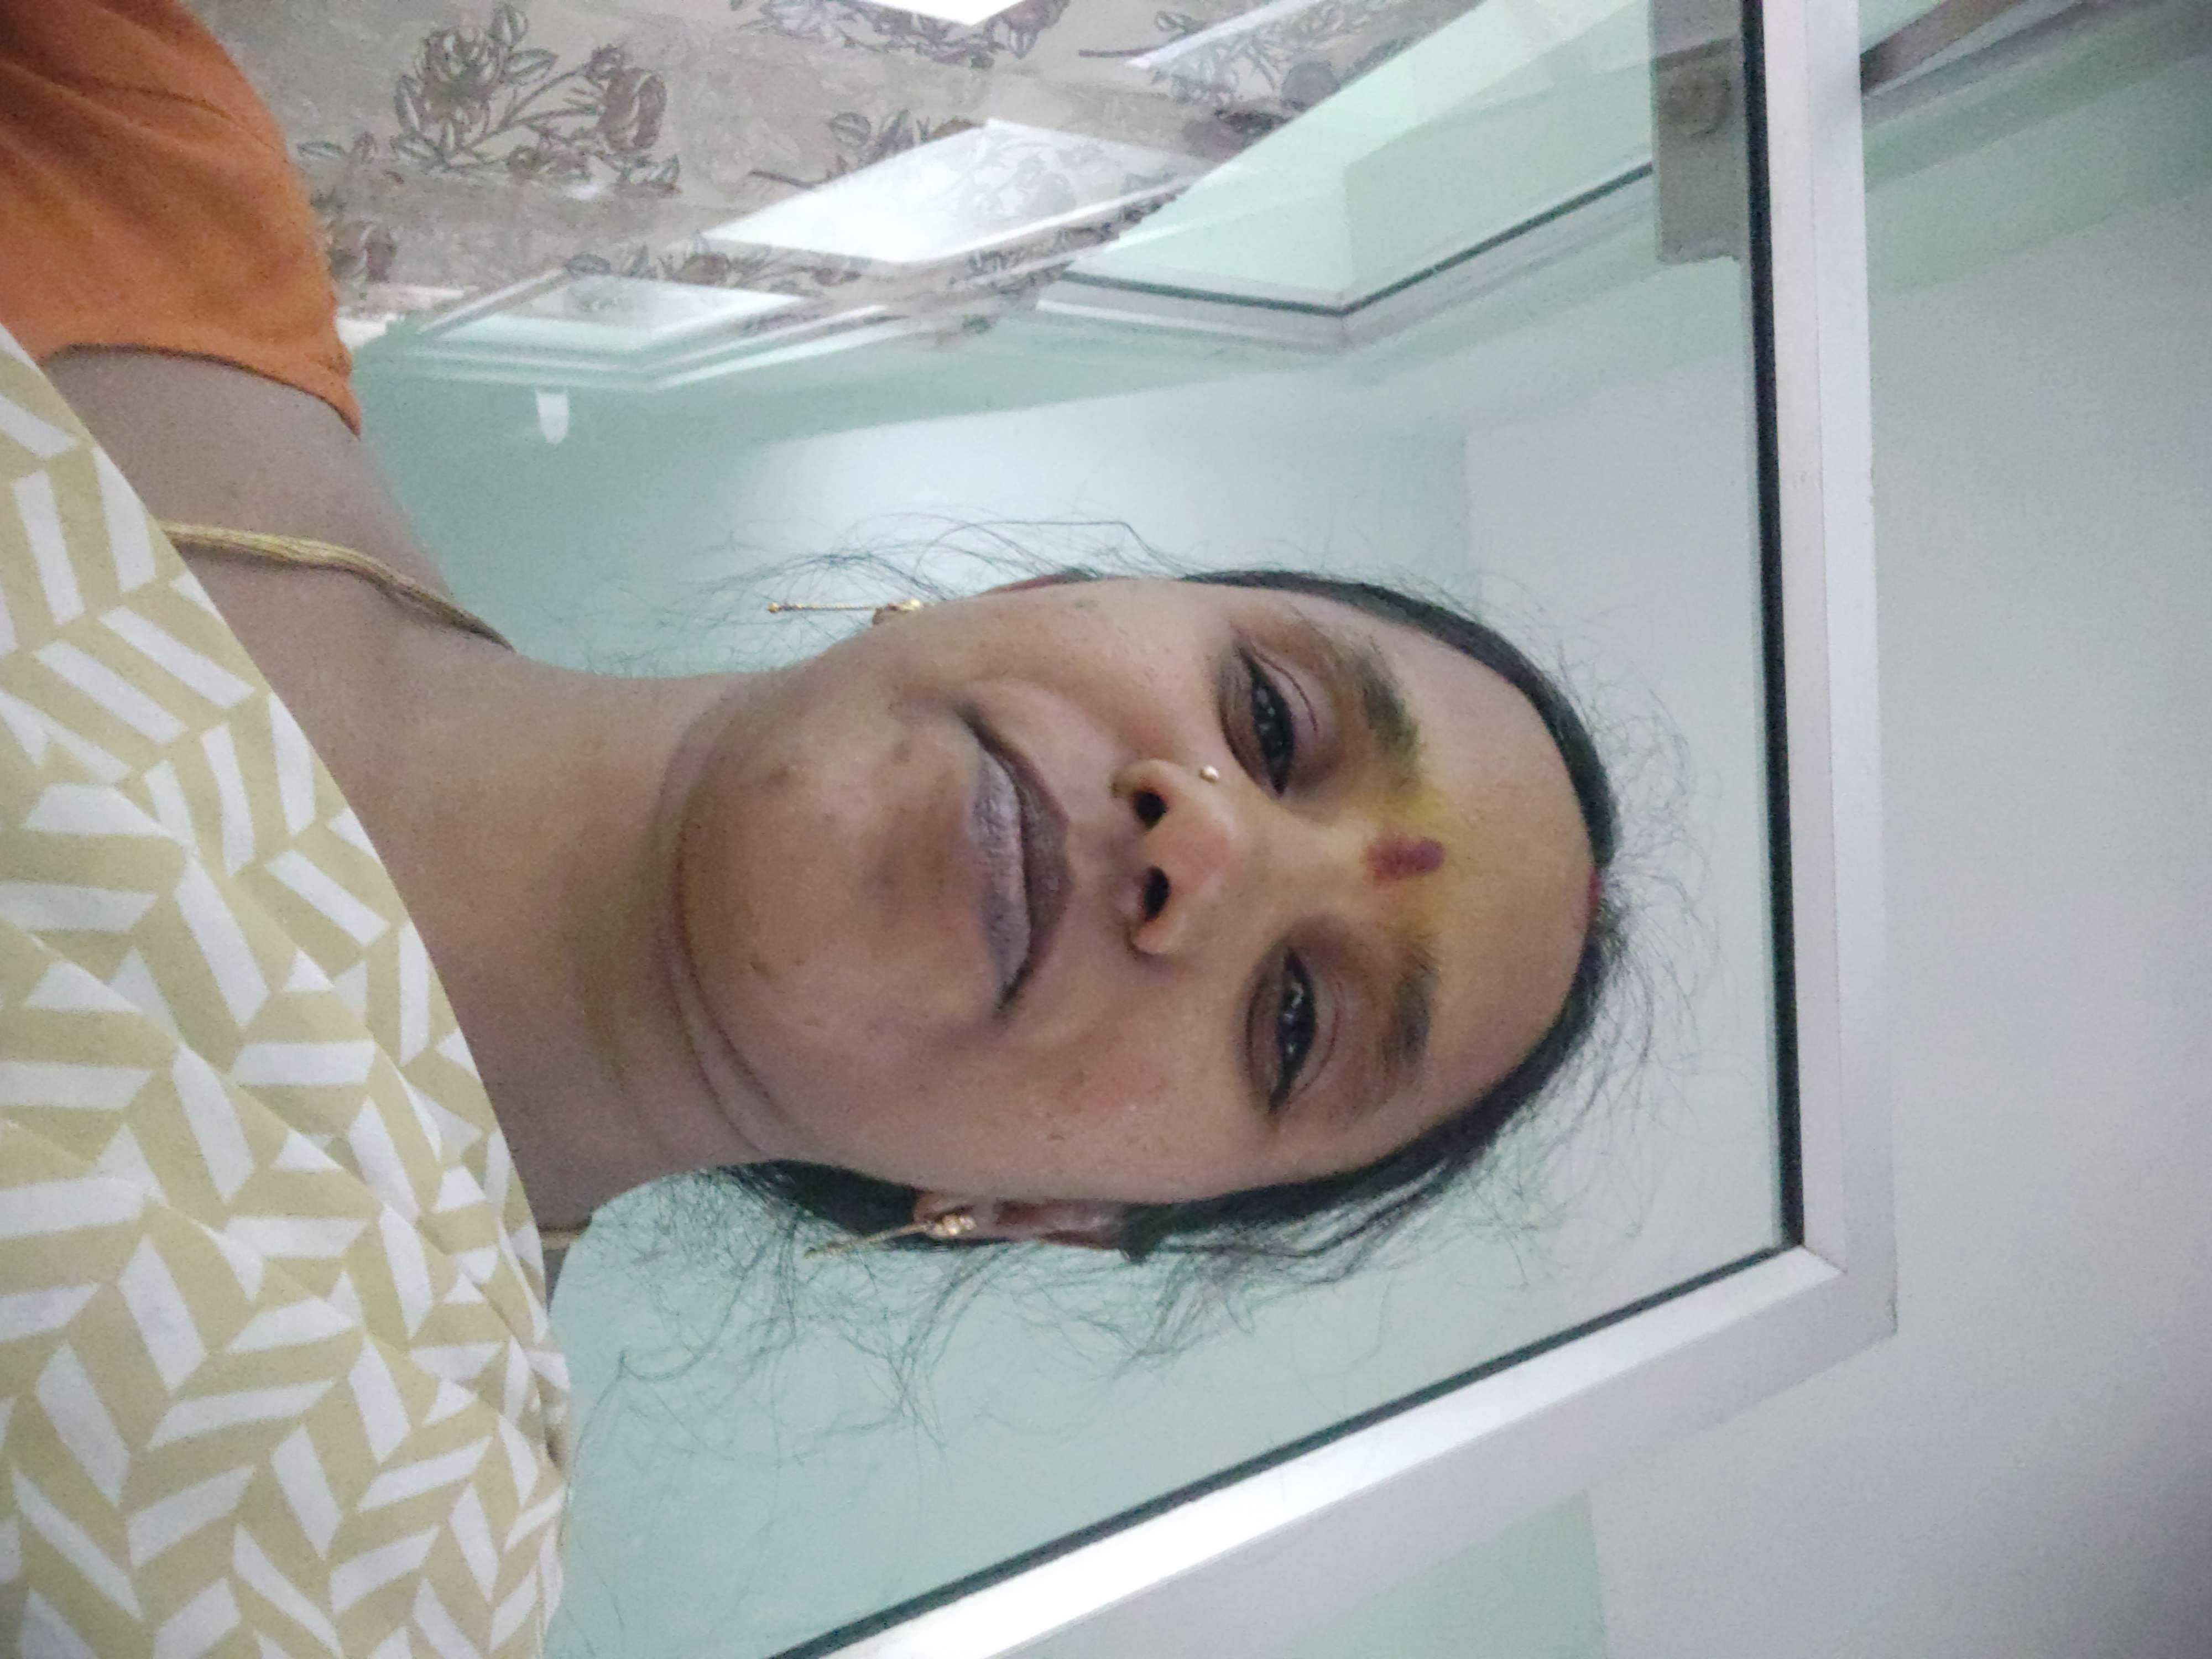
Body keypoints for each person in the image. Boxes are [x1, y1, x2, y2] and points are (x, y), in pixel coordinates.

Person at [0, 2, 1619, 1653]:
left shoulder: (346, 1550)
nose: (1199, 851)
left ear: (1039, 1215)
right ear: (1039, 593)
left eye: (1295, 1022)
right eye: (1270, 722)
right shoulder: (137, 143)